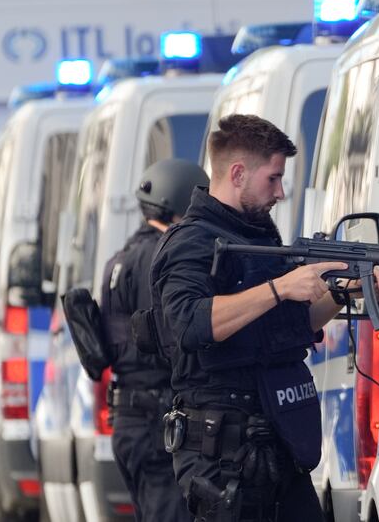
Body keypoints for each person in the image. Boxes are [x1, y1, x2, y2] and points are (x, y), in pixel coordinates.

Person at [150, 114, 379, 522]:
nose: (280, 192)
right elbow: (187, 322)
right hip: (222, 456)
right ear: (238, 173)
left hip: (276, 441)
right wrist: (280, 288)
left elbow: (287, 329)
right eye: (272, 178)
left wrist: (339, 293)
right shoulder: (193, 241)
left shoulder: (257, 235)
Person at [100, 158, 209, 522]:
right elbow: (172, 336)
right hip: (156, 421)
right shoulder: (161, 257)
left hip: (128, 421)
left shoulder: (118, 260)